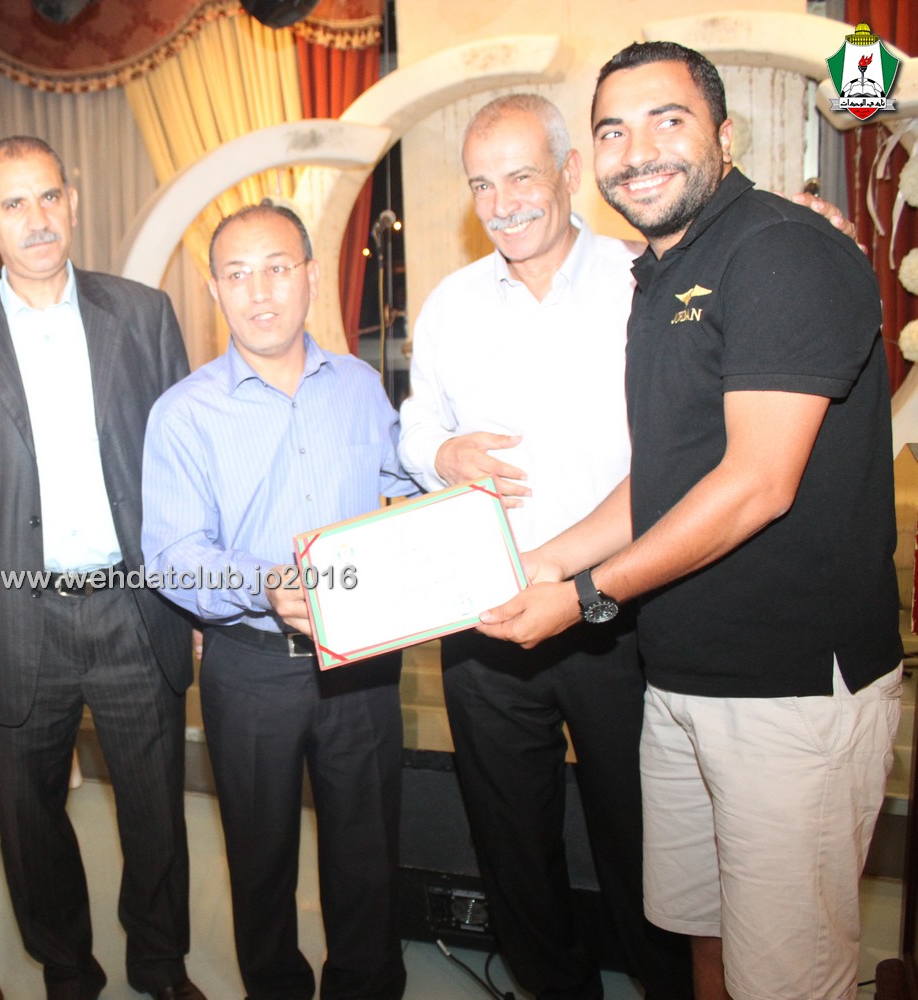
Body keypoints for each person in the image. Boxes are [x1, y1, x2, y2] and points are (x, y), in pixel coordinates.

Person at [479, 42, 902, 1000]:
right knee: (702, 940)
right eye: (613, 131)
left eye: (666, 120)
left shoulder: (782, 250)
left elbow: (757, 484)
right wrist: (545, 562)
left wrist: (584, 597)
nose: (638, 151)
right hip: (680, 683)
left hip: (788, 693)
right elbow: (665, 479)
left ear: (724, 133)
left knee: (787, 976)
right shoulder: (660, 277)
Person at [399, 93, 691, 1000]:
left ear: (569, 172)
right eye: (482, 185)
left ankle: (667, 984)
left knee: (642, 834)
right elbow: (416, 425)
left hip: (617, 607)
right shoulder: (450, 304)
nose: (502, 203)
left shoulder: (644, 282)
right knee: (511, 840)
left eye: (521, 175)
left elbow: (683, 449)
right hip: (483, 613)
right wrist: (441, 454)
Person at [0, 135, 201, 1000]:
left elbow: (185, 471)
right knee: (31, 821)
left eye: (47, 198)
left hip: (134, 608)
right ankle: (68, 970)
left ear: (70, 203)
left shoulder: (143, 315)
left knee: (155, 812)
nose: (35, 219)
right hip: (13, 617)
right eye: (13, 203)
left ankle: (161, 964)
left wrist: (195, 601)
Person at [141, 202, 414, 1000]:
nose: (259, 291)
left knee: (368, 852)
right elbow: (172, 557)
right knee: (260, 859)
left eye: (276, 268)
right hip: (251, 667)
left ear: (310, 276)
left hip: (362, 658)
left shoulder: (360, 385)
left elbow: (403, 485)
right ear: (214, 291)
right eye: (237, 274)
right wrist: (265, 583)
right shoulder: (183, 413)